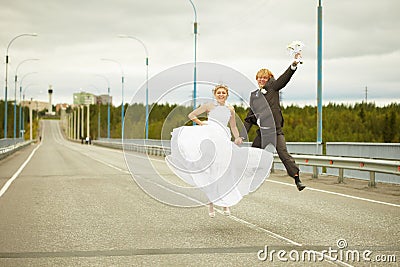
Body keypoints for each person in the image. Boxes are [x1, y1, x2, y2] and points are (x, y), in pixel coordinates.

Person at [166, 85, 274, 218]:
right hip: (210, 139)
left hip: (223, 139)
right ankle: (210, 203)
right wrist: (202, 124)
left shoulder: (230, 109)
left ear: (227, 95)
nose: (221, 95)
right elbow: (191, 115)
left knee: (225, 171)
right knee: (211, 172)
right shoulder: (209, 106)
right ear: (215, 94)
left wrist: (237, 137)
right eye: (219, 93)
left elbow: (233, 126)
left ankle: (225, 204)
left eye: (223, 93)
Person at [243, 54, 306, 191]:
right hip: (262, 132)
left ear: (269, 79)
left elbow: (284, 79)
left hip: (276, 131)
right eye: (259, 78)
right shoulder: (254, 95)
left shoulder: (274, 87)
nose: (261, 80)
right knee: (254, 154)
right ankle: (250, 179)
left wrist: (293, 65)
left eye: (264, 78)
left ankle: (297, 179)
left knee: (284, 155)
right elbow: (250, 115)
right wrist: (242, 135)